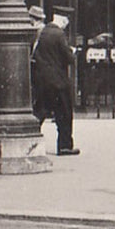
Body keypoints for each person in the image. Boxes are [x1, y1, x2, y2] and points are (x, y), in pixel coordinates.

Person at [33, 9, 79, 156]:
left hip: (44, 80)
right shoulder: (59, 34)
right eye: (66, 22)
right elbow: (69, 58)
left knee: (40, 111)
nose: (66, 25)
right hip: (58, 81)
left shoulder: (43, 32)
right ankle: (65, 146)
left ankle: (29, 136)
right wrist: (72, 51)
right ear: (63, 20)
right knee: (64, 113)